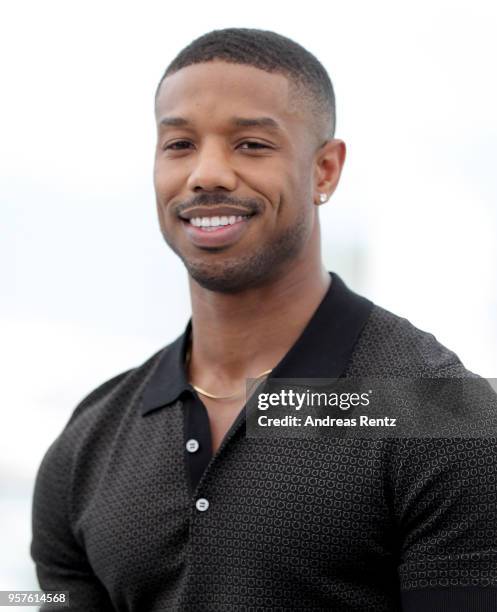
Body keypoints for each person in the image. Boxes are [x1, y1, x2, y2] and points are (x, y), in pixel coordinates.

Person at [31, 28, 497, 611]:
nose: (207, 174)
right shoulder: (87, 442)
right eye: (178, 145)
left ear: (324, 170)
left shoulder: (444, 413)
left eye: (250, 144)